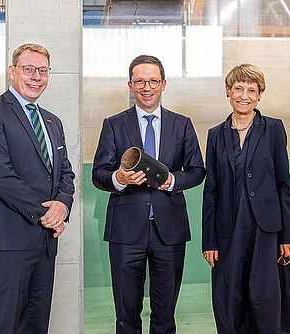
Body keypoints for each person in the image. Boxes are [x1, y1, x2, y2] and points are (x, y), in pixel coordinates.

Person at [92, 55, 205, 334]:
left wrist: (171, 180)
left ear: (163, 84)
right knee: (126, 316)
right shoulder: (114, 124)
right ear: (130, 85)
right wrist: (118, 178)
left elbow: (197, 171)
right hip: (125, 230)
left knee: (165, 316)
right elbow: (99, 174)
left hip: (170, 230)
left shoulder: (183, 124)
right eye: (140, 81)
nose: (147, 87)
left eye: (153, 81)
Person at [0, 43, 75, 334]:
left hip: (44, 243)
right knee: (1, 324)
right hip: (6, 240)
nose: (36, 77)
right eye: (29, 69)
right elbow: (0, 176)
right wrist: (45, 213)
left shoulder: (52, 122)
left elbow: (65, 173)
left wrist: (63, 206)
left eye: (42, 71)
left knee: (36, 324)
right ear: (12, 72)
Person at [202, 64, 290, 333]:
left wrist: (289, 236)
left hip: (266, 229)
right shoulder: (214, 135)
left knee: (265, 296)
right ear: (228, 91)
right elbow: (211, 191)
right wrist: (208, 240)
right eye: (238, 88)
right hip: (228, 230)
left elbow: (283, 184)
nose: (244, 95)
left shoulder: (274, 129)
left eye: (251, 90)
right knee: (229, 298)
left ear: (259, 95)